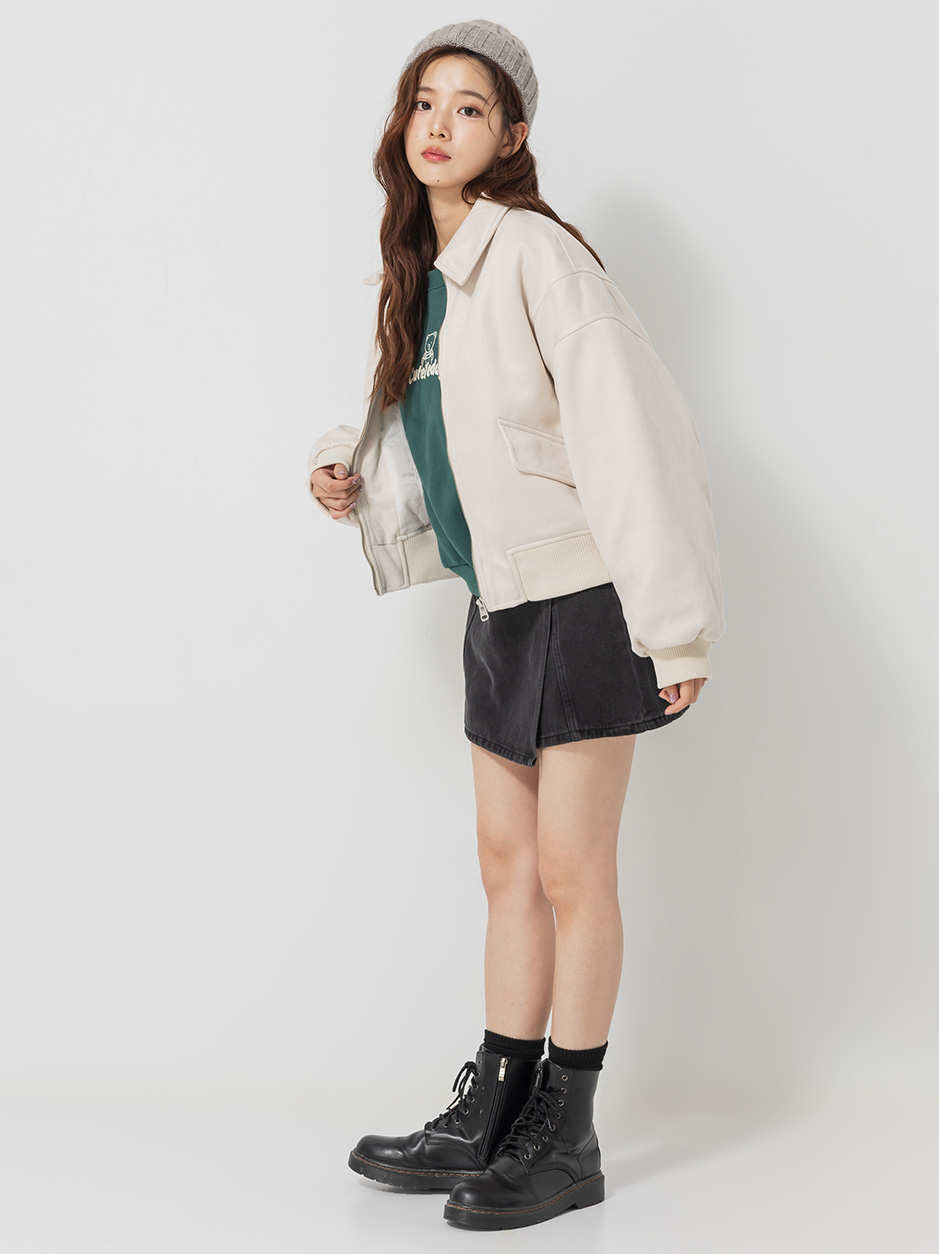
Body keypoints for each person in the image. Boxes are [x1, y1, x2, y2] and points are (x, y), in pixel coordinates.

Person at [306, 19, 726, 1232]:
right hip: (499, 602)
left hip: (586, 601)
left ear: (512, 136)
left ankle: (567, 1134)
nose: (439, 124)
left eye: (470, 108)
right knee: (505, 868)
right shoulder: (421, 274)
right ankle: (493, 1107)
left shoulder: (536, 253)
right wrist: (344, 466)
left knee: (568, 869)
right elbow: (444, 437)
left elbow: (628, 437)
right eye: (424, 102)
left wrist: (675, 627)